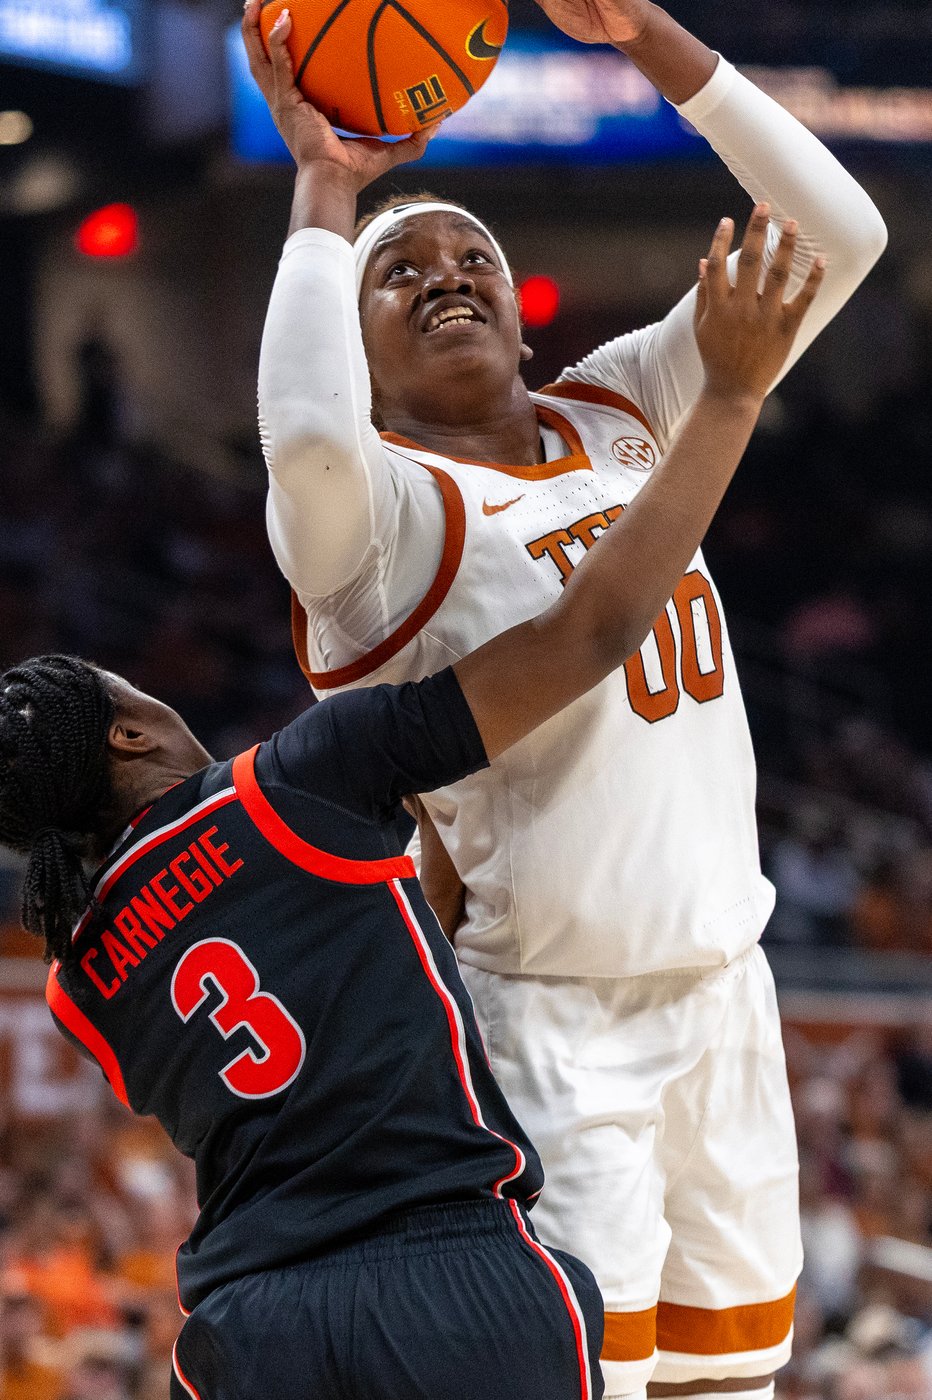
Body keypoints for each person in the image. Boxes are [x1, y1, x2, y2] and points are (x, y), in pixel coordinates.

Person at [0, 230, 822, 1400]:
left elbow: (369, 943)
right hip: (449, 1260)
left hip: (257, 1303)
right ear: (130, 732)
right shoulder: (290, 787)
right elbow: (581, 637)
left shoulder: (86, 971)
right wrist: (732, 393)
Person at [244, 0, 887, 1396]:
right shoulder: (384, 523)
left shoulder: (620, 408)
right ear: (356, 356)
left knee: (743, 1385)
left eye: (471, 252)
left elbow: (844, 236)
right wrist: (325, 186)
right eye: (396, 273)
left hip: (728, 987)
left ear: (527, 316)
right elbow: (298, 432)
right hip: (552, 1023)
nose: (444, 271)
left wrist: (653, 40)